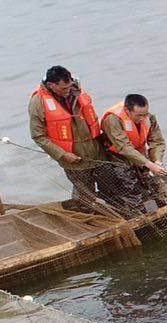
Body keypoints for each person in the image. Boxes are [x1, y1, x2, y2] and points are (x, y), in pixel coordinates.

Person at [28, 66, 112, 215]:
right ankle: (87, 218)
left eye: (69, 86)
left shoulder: (76, 90)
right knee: (85, 194)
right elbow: (38, 136)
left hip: (97, 152)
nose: (68, 90)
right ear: (51, 85)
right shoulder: (38, 102)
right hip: (73, 158)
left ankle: (113, 212)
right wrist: (62, 155)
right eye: (63, 88)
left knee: (110, 184)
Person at [99, 93, 167, 215]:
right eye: (139, 115)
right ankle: (136, 214)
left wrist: (157, 161)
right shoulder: (113, 120)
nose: (143, 118)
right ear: (127, 110)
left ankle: (160, 209)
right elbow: (124, 147)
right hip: (117, 156)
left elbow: (157, 141)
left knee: (153, 182)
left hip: (139, 154)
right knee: (130, 188)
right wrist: (148, 164)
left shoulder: (149, 118)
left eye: (145, 114)